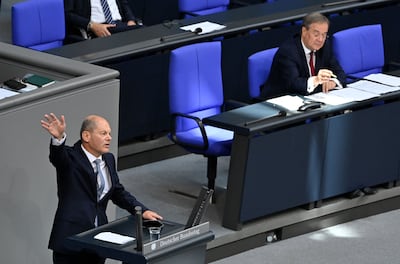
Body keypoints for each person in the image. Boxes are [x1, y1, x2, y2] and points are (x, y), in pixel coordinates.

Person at [41, 113, 162, 264]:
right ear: (86, 136)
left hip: (98, 239)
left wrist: (142, 211)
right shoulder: (70, 158)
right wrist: (58, 139)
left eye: (109, 134)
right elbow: (57, 157)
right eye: (103, 133)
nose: (109, 138)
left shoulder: (109, 159)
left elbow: (118, 192)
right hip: (71, 240)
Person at [260, 12, 347, 99]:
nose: (320, 39)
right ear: (304, 31)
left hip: (310, 98)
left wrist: (332, 82)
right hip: (280, 100)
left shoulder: (325, 46)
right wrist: (317, 80)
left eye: (324, 35)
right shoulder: (288, 52)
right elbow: (294, 84)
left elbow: (340, 73)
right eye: (316, 34)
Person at [64, 0, 141, 43]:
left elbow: (124, 4)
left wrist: (131, 20)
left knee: (143, 34)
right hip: (98, 28)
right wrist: (91, 25)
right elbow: (67, 14)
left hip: (121, 25)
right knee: (141, 32)